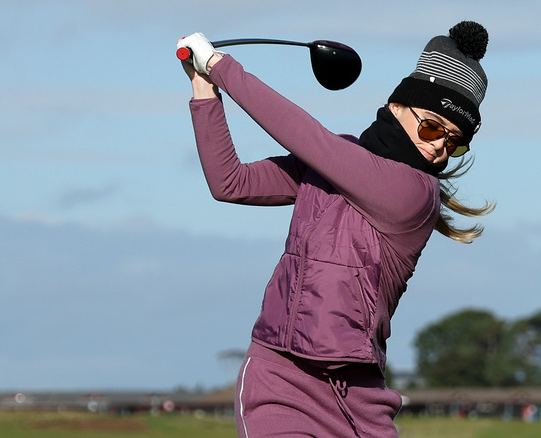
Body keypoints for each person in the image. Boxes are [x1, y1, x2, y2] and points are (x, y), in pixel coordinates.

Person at [177, 20, 493, 438]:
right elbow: (230, 182)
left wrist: (220, 65)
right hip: (279, 381)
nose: (439, 146)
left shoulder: (414, 194)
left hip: (359, 398)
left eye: (455, 142)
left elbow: (310, 139)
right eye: (433, 127)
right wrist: (204, 86)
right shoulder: (336, 160)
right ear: (399, 105)